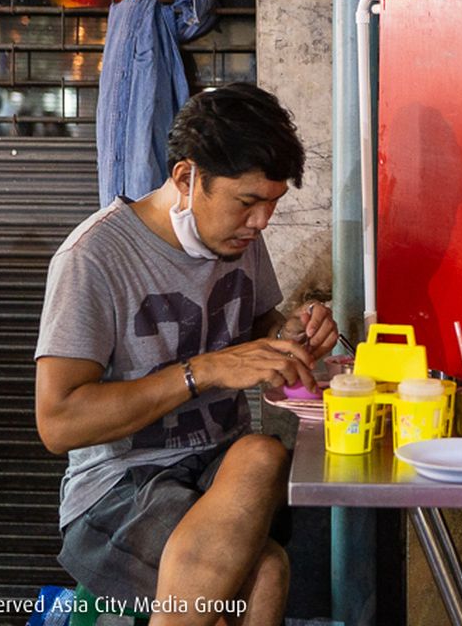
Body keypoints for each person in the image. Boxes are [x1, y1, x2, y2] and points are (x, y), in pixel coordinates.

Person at [35, 83, 339, 626]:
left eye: (272, 203)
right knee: (263, 575)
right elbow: (58, 423)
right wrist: (204, 371)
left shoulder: (238, 238)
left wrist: (288, 335)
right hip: (120, 490)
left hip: (218, 471)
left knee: (263, 454)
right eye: (248, 202)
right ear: (185, 178)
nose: (262, 221)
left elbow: (253, 332)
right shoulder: (95, 258)